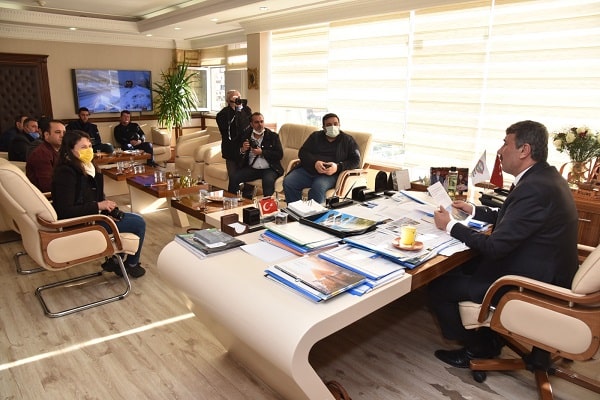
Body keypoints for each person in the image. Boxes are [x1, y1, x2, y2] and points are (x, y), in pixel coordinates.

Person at [429, 120, 578, 368]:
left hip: (531, 284)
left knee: (439, 286)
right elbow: (515, 217)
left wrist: (450, 226)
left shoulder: (534, 188)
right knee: (463, 266)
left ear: (524, 150)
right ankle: (490, 336)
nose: (500, 151)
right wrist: (473, 210)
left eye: (505, 143)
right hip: (548, 270)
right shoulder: (545, 177)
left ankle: (480, 347)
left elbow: (495, 247)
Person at [51, 130, 147, 278]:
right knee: (138, 223)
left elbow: (95, 197)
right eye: (83, 147)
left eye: (90, 146)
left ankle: (116, 260)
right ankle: (131, 265)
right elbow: (65, 210)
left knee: (131, 218)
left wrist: (107, 209)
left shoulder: (88, 167)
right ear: (70, 150)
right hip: (81, 224)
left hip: (93, 217)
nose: (89, 150)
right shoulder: (66, 173)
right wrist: (99, 207)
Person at [283, 113, 361, 204]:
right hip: (309, 170)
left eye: (335, 124)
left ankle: (315, 212)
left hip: (330, 174)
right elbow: (303, 152)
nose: (333, 127)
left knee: (318, 187)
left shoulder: (348, 140)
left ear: (339, 125)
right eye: (329, 125)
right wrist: (315, 163)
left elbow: (356, 160)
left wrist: (338, 167)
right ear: (323, 127)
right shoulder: (315, 136)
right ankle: (296, 209)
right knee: (289, 182)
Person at [227, 112, 283, 197]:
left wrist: (262, 152)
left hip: (269, 168)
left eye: (261, 121)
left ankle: (267, 204)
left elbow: (279, 154)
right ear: (251, 124)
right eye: (256, 122)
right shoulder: (246, 136)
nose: (260, 124)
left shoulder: (272, 136)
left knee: (268, 181)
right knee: (234, 177)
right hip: (253, 168)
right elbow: (237, 154)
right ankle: (232, 201)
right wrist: (242, 150)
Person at [216, 89, 252, 178]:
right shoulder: (223, 114)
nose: (238, 99)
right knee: (233, 177)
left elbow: (246, 124)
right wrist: (235, 110)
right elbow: (226, 130)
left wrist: (239, 109)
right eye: (235, 98)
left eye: (239, 97)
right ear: (229, 100)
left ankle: (247, 188)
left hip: (245, 147)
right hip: (231, 149)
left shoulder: (246, 110)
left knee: (247, 177)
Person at [26, 119, 65, 193]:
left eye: (64, 132)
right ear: (47, 135)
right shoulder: (41, 154)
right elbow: (47, 186)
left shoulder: (59, 150)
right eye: (58, 132)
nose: (62, 136)